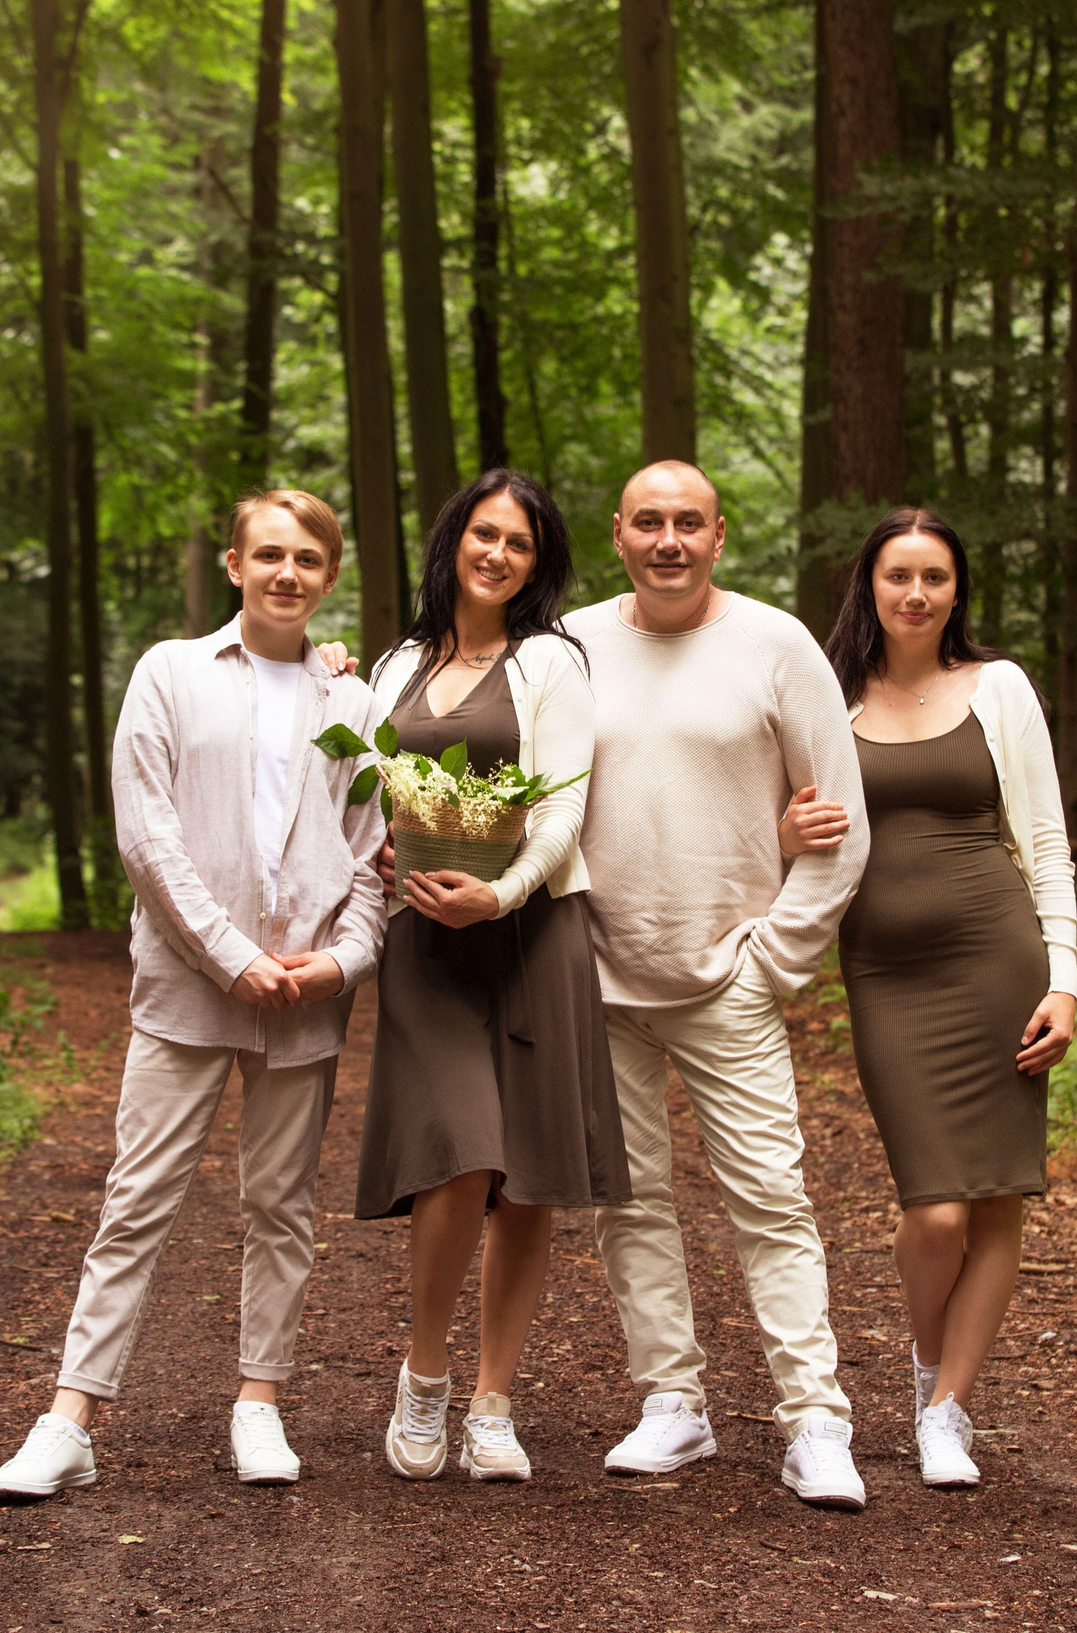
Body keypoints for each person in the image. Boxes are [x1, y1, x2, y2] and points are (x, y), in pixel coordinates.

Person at [0, 489, 387, 1503]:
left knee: (280, 1205)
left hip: (304, 992)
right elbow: (146, 837)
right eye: (268, 556)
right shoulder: (170, 674)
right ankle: (70, 1419)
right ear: (233, 563)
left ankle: (259, 1404)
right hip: (188, 986)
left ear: (330, 576)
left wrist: (340, 962)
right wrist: (224, 954)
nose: (286, 574)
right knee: (137, 1199)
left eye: (306, 559)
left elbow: (371, 857)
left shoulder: (355, 702)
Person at [568, 459, 873, 1510]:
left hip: (727, 976)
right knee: (630, 1200)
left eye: (686, 523)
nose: (667, 540)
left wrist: (775, 958)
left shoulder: (775, 645)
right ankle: (672, 1405)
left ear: (718, 533)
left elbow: (841, 820)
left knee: (770, 1198)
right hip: (600, 975)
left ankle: (815, 1418)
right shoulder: (569, 646)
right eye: (648, 522)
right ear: (617, 533)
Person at [355, 468, 631, 1485]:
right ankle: (423, 1377)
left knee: (525, 1181)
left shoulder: (552, 663)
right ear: (453, 541)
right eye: (483, 534)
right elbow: (360, 792)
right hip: (426, 944)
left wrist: (503, 893)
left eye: (518, 543)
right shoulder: (392, 666)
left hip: (532, 933)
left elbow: (563, 806)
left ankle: (493, 1401)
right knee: (460, 1153)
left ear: (537, 561)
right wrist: (381, 857)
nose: (496, 554)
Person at [823, 508, 1077, 1490]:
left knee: (997, 1203)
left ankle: (946, 1412)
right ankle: (930, 1370)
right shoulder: (832, 698)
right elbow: (792, 826)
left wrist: (1062, 978)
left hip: (996, 960)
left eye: (934, 576)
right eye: (898, 576)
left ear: (956, 589)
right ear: (871, 587)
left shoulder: (998, 688)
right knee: (934, 1211)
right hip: (886, 976)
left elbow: (1046, 843)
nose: (915, 593)